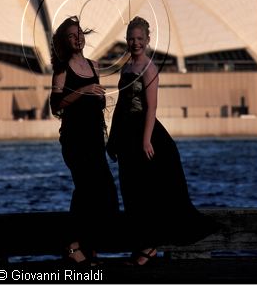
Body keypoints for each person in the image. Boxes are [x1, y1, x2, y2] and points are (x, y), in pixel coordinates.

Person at [106, 16, 220, 266]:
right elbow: (121, 105)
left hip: (144, 134)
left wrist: (146, 141)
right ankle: (142, 244)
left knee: (148, 192)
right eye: (131, 38)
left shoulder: (149, 68)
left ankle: (149, 248)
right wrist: (112, 139)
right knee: (131, 192)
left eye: (139, 39)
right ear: (127, 40)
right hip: (126, 134)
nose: (135, 43)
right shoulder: (126, 67)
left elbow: (151, 108)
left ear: (147, 40)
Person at [50, 16, 119, 266]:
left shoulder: (94, 66)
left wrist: (99, 99)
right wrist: (82, 92)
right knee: (86, 189)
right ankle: (73, 246)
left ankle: (87, 242)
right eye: (71, 35)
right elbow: (55, 106)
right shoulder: (62, 69)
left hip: (94, 138)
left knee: (106, 192)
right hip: (74, 139)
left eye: (79, 33)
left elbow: (96, 101)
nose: (77, 38)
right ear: (65, 41)